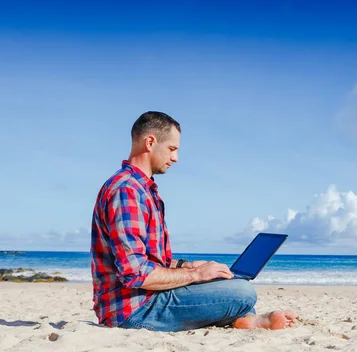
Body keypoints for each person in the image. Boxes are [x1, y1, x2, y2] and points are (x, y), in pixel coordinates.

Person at [90, 111, 297, 332]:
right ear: (150, 142)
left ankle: (246, 320)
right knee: (243, 292)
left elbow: (147, 259)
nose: (176, 158)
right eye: (172, 149)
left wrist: (188, 266)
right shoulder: (127, 191)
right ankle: (245, 317)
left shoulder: (142, 190)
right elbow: (135, 273)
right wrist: (196, 276)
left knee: (227, 283)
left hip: (145, 299)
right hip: (133, 310)